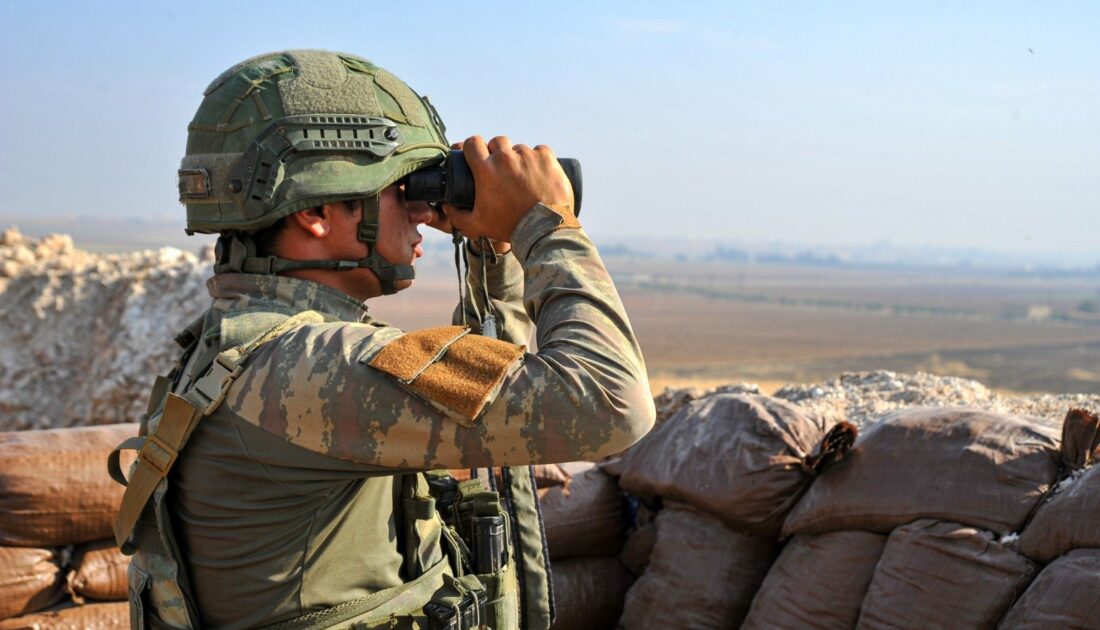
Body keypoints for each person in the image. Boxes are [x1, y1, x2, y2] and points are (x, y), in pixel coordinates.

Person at [110, 49, 654, 629]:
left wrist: (493, 249)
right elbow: (610, 404)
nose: (422, 209)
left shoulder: (257, 350)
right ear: (317, 210)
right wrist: (544, 223)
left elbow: (499, 381)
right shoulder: (305, 367)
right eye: (401, 186)